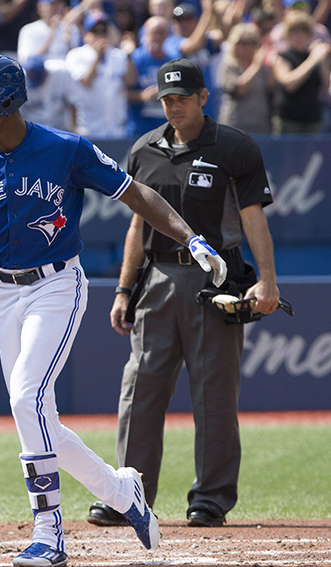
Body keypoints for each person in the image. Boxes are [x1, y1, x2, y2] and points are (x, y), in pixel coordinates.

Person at [0, 53, 228, 567]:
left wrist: (192, 238)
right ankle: (121, 492)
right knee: (35, 414)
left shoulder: (64, 149)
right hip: (3, 294)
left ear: (6, 99)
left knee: (27, 398)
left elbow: (134, 192)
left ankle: (49, 533)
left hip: (56, 286)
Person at [86, 58, 279, 530]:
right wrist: (123, 290)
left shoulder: (235, 146)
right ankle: (127, 495)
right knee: (140, 388)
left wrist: (268, 280)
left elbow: (253, 217)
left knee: (214, 393)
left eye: (183, 99)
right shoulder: (144, 149)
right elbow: (137, 222)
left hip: (216, 281)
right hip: (157, 278)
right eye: (167, 100)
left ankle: (210, 499)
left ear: (203, 98)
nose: (174, 107)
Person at [65, 12, 133, 139]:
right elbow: (86, 82)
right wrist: (97, 57)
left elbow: (131, 81)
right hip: (89, 130)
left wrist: (129, 55)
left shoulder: (118, 55)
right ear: (86, 35)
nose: (100, 35)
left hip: (116, 130)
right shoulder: (76, 55)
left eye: (104, 31)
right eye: (95, 31)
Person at [271, 10, 331, 134]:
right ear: (288, 34)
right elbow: (289, 85)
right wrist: (312, 60)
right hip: (288, 120)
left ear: (308, 33)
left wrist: (322, 61)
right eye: (294, 31)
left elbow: (326, 85)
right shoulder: (282, 56)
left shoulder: (315, 56)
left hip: (312, 119)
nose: (298, 35)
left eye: (302, 30)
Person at [216, 22, 274, 133]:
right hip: (235, 125)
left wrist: (272, 61)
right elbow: (240, 90)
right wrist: (256, 65)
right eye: (242, 43)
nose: (246, 47)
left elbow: (271, 88)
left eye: (251, 43)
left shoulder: (263, 68)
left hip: (260, 125)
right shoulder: (229, 66)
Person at [126, 16, 177, 137]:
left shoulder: (173, 61)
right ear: (145, 34)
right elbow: (123, 93)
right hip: (140, 130)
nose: (157, 37)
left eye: (161, 33)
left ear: (167, 36)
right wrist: (143, 96)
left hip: (167, 130)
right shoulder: (134, 59)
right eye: (154, 33)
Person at [16, 0, 81, 64]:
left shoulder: (71, 29)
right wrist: (51, 35)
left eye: (58, 4)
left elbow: (76, 61)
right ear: (40, 8)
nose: (55, 8)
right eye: (52, 5)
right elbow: (26, 61)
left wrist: (68, 43)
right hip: (43, 71)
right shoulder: (29, 30)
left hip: (64, 71)